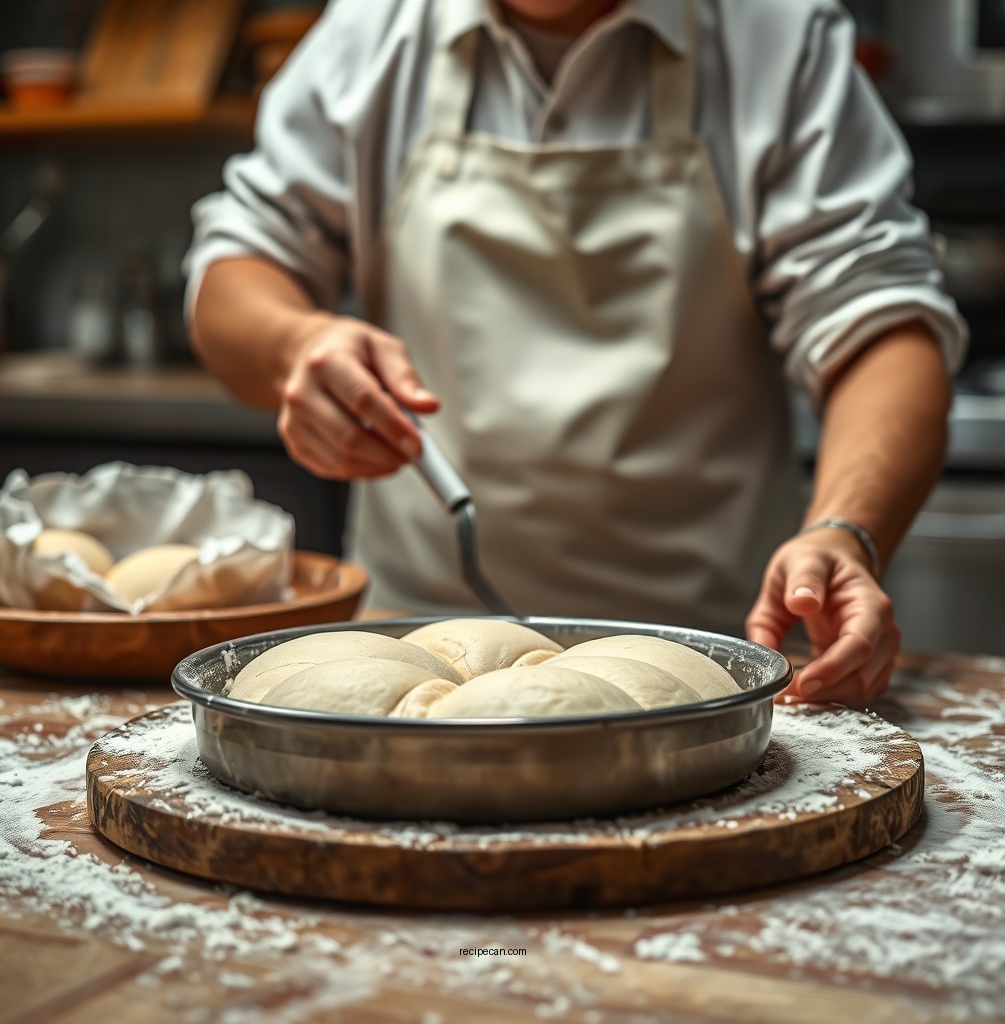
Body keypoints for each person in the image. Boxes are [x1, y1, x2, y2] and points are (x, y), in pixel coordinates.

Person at [185, 0, 966, 708]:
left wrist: (843, 531)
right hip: (406, 647)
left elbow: (880, 326)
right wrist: (298, 343)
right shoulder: (373, 33)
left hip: (720, 658)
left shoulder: (776, 38)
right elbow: (239, 269)